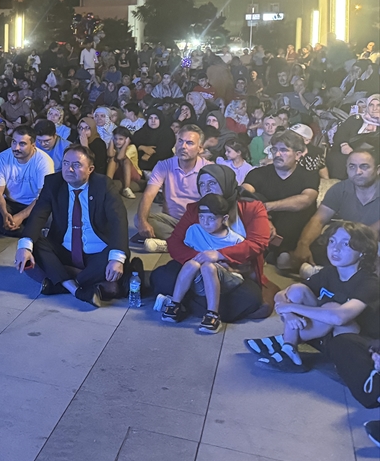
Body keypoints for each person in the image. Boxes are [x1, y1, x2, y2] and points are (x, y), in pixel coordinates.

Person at [248, 221, 379, 372]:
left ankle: (285, 342)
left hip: (355, 341)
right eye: (332, 241)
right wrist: (290, 314)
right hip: (325, 333)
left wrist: (290, 307)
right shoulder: (329, 272)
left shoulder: (369, 282)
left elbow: (339, 317)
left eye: (346, 244)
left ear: (362, 252)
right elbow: (281, 295)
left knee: (332, 308)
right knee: (297, 290)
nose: (335, 249)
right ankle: (289, 347)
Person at [150, 163, 271, 322]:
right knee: (161, 277)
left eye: (212, 183)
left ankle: (184, 303)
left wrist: (219, 255)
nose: (206, 188)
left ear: (225, 183)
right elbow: (174, 243)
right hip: (196, 266)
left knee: (249, 298)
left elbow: (258, 243)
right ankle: (201, 306)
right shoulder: (196, 209)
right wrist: (201, 258)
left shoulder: (252, 207)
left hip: (234, 271)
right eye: (201, 184)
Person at [14, 144, 129, 307]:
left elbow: (119, 221)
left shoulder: (104, 185)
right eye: (66, 163)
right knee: (33, 244)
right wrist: (24, 247)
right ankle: (79, 289)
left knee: (118, 255)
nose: (69, 169)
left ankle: (59, 282)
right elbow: (38, 215)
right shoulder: (53, 182)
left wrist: (116, 260)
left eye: (77, 165)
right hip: (65, 249)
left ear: (90, 169)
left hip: (98, 252)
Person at [160, 194, 248, 333]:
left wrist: (229, 266)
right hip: (202, 278)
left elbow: (243, 268)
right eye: (202, 217)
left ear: (224, 219)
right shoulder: (194, 230)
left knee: (208, 266)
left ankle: (213, 314)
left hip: (227, 279)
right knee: (192, 264)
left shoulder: (235, 240)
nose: (205, 222)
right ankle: (174, 304)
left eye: (211, 218)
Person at [290, 142, 380, 276]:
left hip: (371, 242)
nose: (358, 172)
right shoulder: (339, 189)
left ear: (377, 169)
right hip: (349, 243)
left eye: (364, 167)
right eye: (352, 167)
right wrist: (303, 244)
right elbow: (319, 219)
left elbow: (374, 231)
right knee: (301, 255)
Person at [241, 130, 320, 274]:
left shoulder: (308, 176)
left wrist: (267, 207)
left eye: (284, 150)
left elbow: (306, 200)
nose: (277, 155)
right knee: (252, 198)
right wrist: (265, 219)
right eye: (274, 150)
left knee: (299, 208)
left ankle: (283, 256)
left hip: (294, 236)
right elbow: (243, 194)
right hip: (261, 231)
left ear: (298, 154)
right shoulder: (258, 173)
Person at [134, 124, 209, 245]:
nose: (183, 146)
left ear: (200, 148)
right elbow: (148, 195)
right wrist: (143, 222)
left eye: (189, 143)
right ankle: (187, 242)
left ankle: (171, 243)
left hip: (197, 222)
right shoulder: (164, 165)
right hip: (171, 220)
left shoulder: (208, 168)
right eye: (180, 141)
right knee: (139, 219)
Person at [0, 125, 54, 237]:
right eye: (14, 142)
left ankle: (9, 228)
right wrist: (5, 214)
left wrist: (21, 216)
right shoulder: (2, 158)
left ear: (33, 145)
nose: (16, 147)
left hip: (33, 205)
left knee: (50, 217)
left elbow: (42, 197)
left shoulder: (44, 161)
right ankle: (26, 231)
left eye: (22, 144)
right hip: (10, 204)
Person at [106, 125, 142, 198]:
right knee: (112, 159)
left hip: (133, 174)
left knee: (125, 160)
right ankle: (107, 184)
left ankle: (126, 188)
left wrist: (126, 144)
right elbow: (110, 154)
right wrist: (111, 142)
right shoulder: (114, 146)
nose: (117, 141)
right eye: (115, 139)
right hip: (120, 173)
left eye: (121, 139)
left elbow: (120, 157)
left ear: (127, 139)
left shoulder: (131, 147)